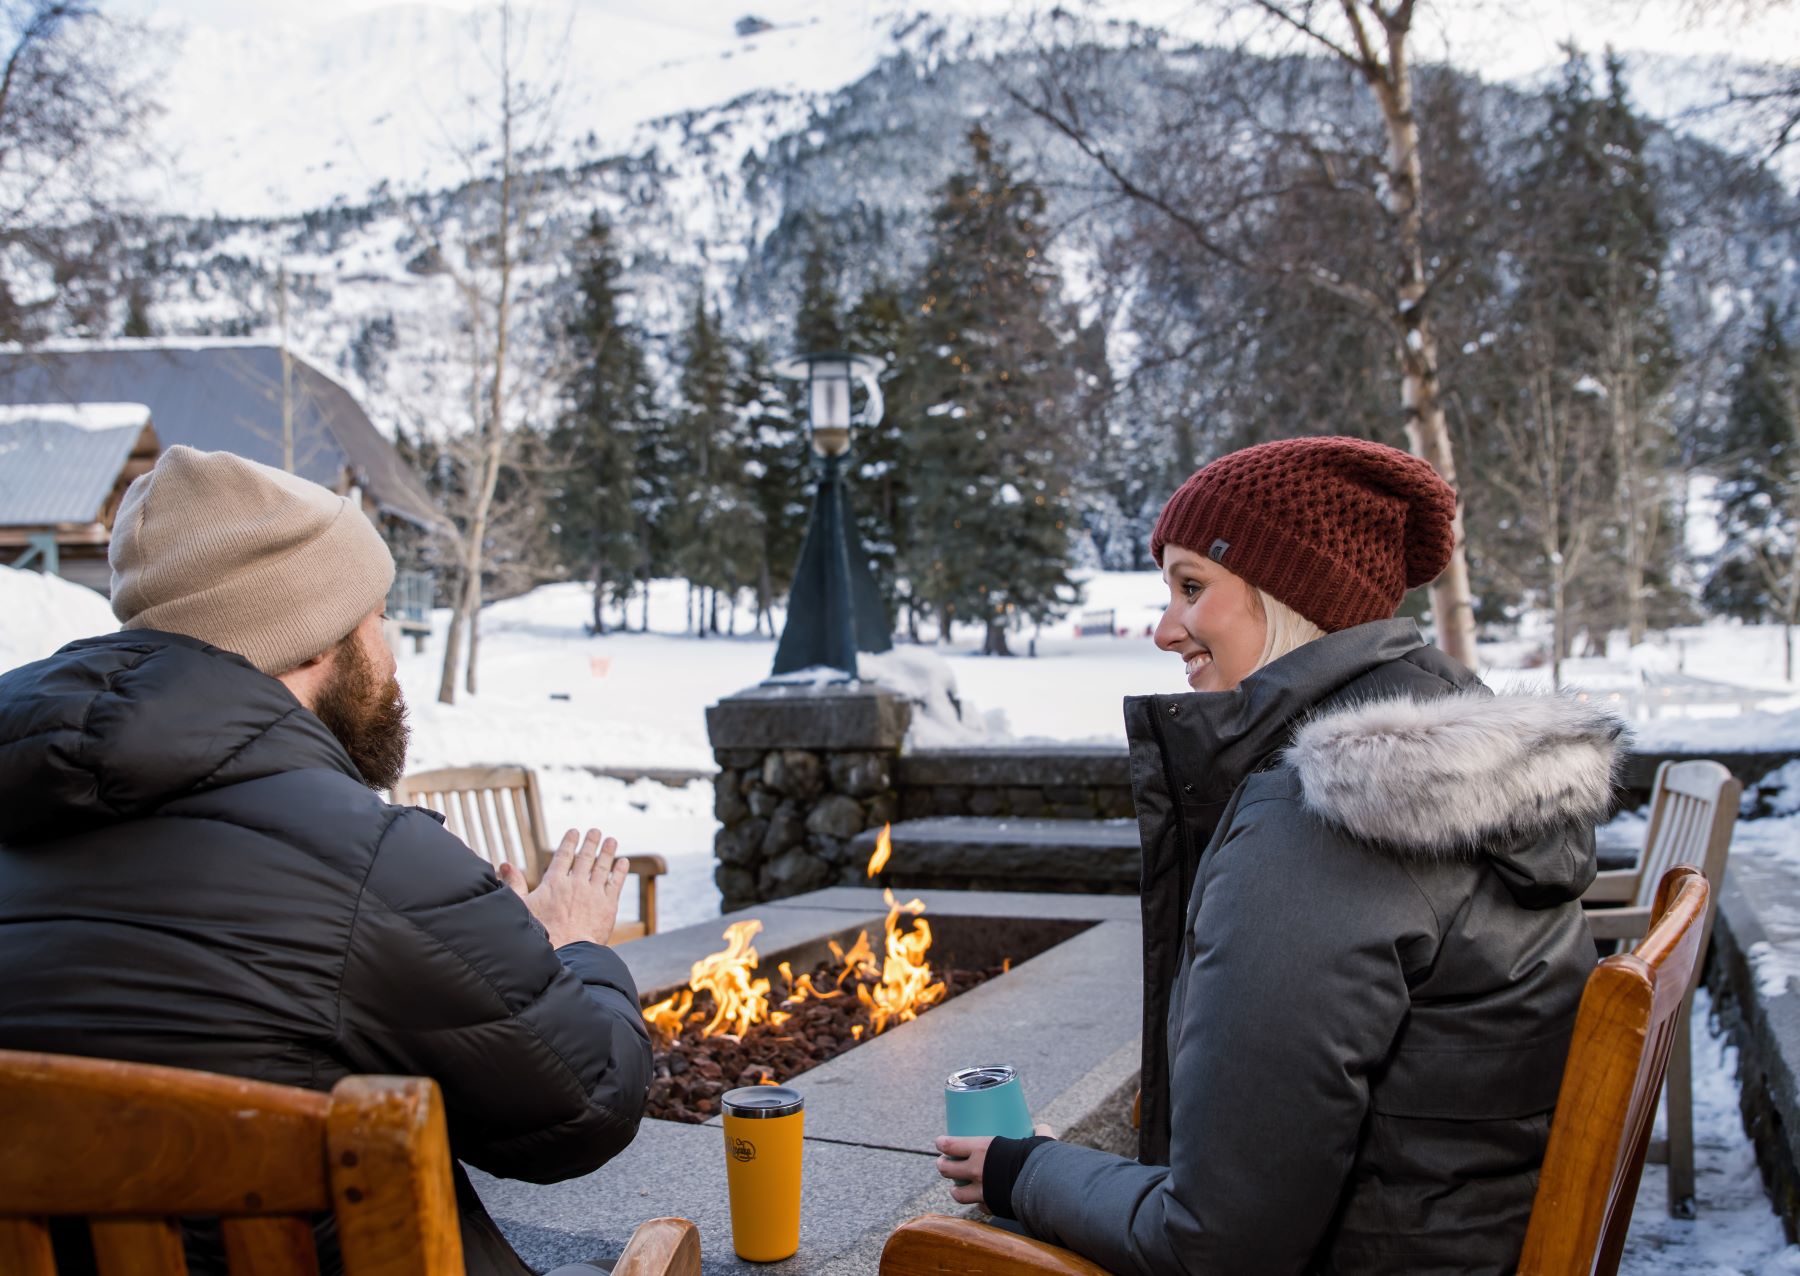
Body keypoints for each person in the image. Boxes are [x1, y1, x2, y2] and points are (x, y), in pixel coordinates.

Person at [935, 436, 1620, 1274]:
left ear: (1290, 599)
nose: (1163, 630)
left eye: (1193, 588)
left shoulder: (1327, 823)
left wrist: (1025, 1170)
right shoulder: (1452, 771)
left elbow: (1219, 1245)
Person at [0, 446, 653, 1276]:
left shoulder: (18, 823)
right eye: (375, 618)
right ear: (308, 638)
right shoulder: (373, 863)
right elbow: (587, 1105)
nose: (389, 656)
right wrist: (569, 949)